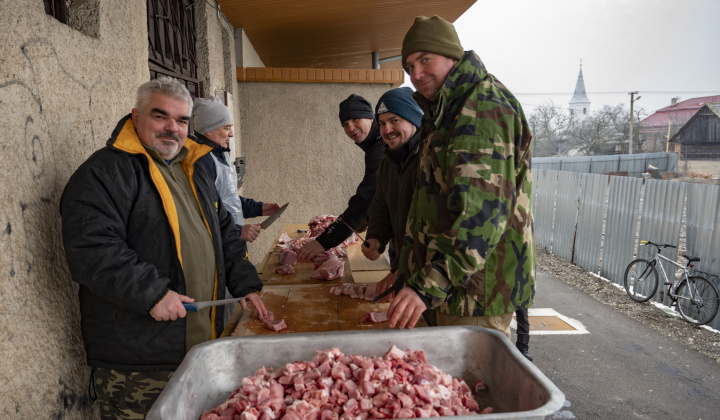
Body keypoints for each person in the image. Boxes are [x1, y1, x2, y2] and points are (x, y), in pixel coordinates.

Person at [59, 77, 268, 419]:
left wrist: (248, 285)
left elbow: (225, 236)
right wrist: (153, 294)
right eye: (161, 117)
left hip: (201, 348)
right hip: (141, 361)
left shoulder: (194, 169)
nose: (172, 128)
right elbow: (92, 249)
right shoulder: (104, 173)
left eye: (182, 121)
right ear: (136, 116)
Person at [387, 15, 536, 339]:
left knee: (468, 388)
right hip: (453, 291)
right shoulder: (446, 108)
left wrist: (427, 286)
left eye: (425, 59)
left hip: (473, 295)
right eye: (409, 66)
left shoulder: (481, 110)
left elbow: (482, 218)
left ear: (452, 55)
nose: (416, 74)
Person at [297, 94, 385, 261]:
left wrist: (325, 241)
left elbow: (366, 198)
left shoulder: (380, 149)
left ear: (371, 118)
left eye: (356, 119)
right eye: (345, 123)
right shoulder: (374, 146)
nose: (351, 127)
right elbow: (380, 196)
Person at [192, 96, 280, 243]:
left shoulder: (221, 154)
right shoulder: (202, 162)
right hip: (218, 247)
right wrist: (238, 231)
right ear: (208, 130)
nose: (232, 133)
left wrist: (259, 208)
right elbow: (201, 213)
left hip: (231, 241)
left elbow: (227, 198)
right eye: (226, 128)